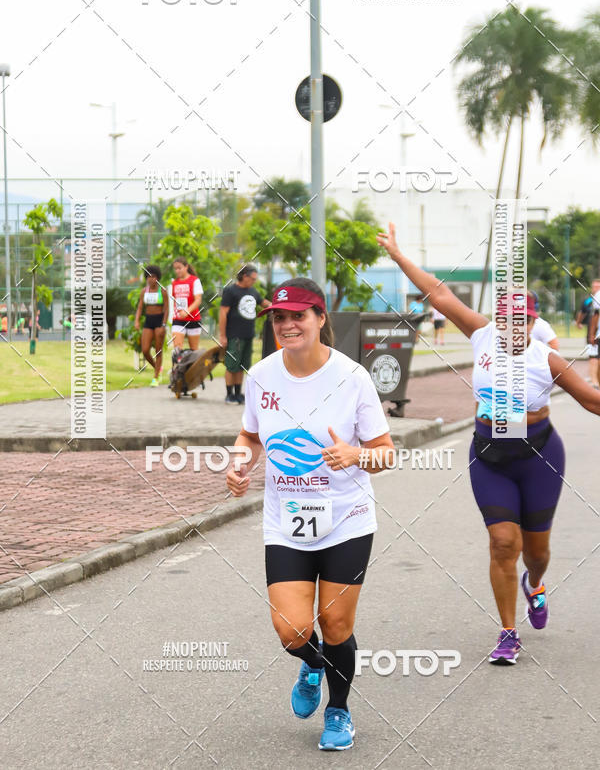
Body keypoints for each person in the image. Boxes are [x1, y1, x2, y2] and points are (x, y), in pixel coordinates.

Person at [377, 222, 600, 665]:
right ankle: (508, 632)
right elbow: (438, 293)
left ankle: (534, 583)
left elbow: (593, 401)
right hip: (490, 455)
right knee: (502, 543)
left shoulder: (547, 359)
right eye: (508, 320)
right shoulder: (481, 335)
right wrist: (400, 257)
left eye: (524, 320)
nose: (514, 328)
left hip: (538, 456)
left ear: (534, 323)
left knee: (536, 552)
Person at [226, 278, 394, 750]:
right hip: (287, 522)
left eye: (298, 315)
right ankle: (314, 662)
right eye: (279, 317)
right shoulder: (261, 375)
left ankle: (339, 711)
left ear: (320, 318)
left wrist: (357, 455)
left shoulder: (352, 378)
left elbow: (386, 452)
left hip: (346, 520)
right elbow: (250, 436)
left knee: (336, 624)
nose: (287, 324)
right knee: (291, 630)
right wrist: (239, 465)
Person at [219, 264, 271, 405]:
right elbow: (223, 313)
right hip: (235, 335)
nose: (254, 281)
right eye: (252, 278)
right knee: (232, 366)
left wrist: (277, 306)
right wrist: (223, 335)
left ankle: (238, 393)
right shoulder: (230, 291)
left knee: (242, 366)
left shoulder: (252, 291)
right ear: (244, 276)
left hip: (248, 335)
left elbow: (263, 302)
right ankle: (229, 395)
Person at [134, 265, 169, 386]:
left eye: (153, 277)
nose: (150, 279)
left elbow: (166, 309)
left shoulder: (162, 290)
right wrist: (137, 321)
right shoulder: (144, 291)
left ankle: (156, 377)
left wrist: (163, 325)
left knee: (158, 350)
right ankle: (157, 368)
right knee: (145, 350)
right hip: (148, 321)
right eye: (148, 277)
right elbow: (140, 308)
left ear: (158, 278)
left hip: (159, 321)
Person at [169, 257, 203, 351]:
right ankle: (178, 361)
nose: (177, 271)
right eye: (175, 269)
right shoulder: (174, 283)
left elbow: (198, 300)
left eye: (179, 268)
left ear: (186, 267)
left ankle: (191, 361)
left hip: (193, 319)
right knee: (177, 349)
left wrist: (187, 311)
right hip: (178, 319)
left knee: (194, 350)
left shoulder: (195, 281)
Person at [576, 281, 600, 386]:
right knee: (593, 355)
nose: (596, 288)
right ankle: (594, 382)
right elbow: (583, 313)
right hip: (594, 331)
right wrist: (578, 322)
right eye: (595, 286)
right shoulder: (589, 300)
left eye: (598, 286)